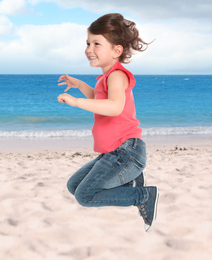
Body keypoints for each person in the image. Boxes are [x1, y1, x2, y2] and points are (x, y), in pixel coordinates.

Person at [57, 13, 159, 232]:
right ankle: (132, 182)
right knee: (74, 186)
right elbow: (99, 100)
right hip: (114, 153)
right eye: (88, 43)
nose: (89, 49)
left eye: (96, 44)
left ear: (117, 50)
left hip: (126, 152)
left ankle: (143, 195)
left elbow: (114, 107)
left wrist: (77, 103)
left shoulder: (117, 76)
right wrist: (79, 85)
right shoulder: (106, 77)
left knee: (85, 195)